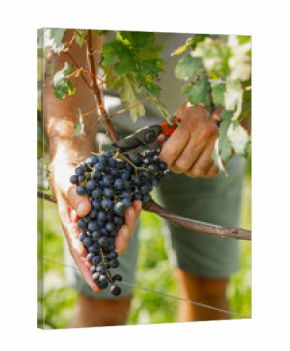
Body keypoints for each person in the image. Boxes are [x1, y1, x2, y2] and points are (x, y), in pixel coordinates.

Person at [44, 30, 246, 327]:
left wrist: (235, 111)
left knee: (209, 288)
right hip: (104, 116)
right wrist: (69, 148)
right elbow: (70, 35)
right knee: (103, 309)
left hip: (214, 120)